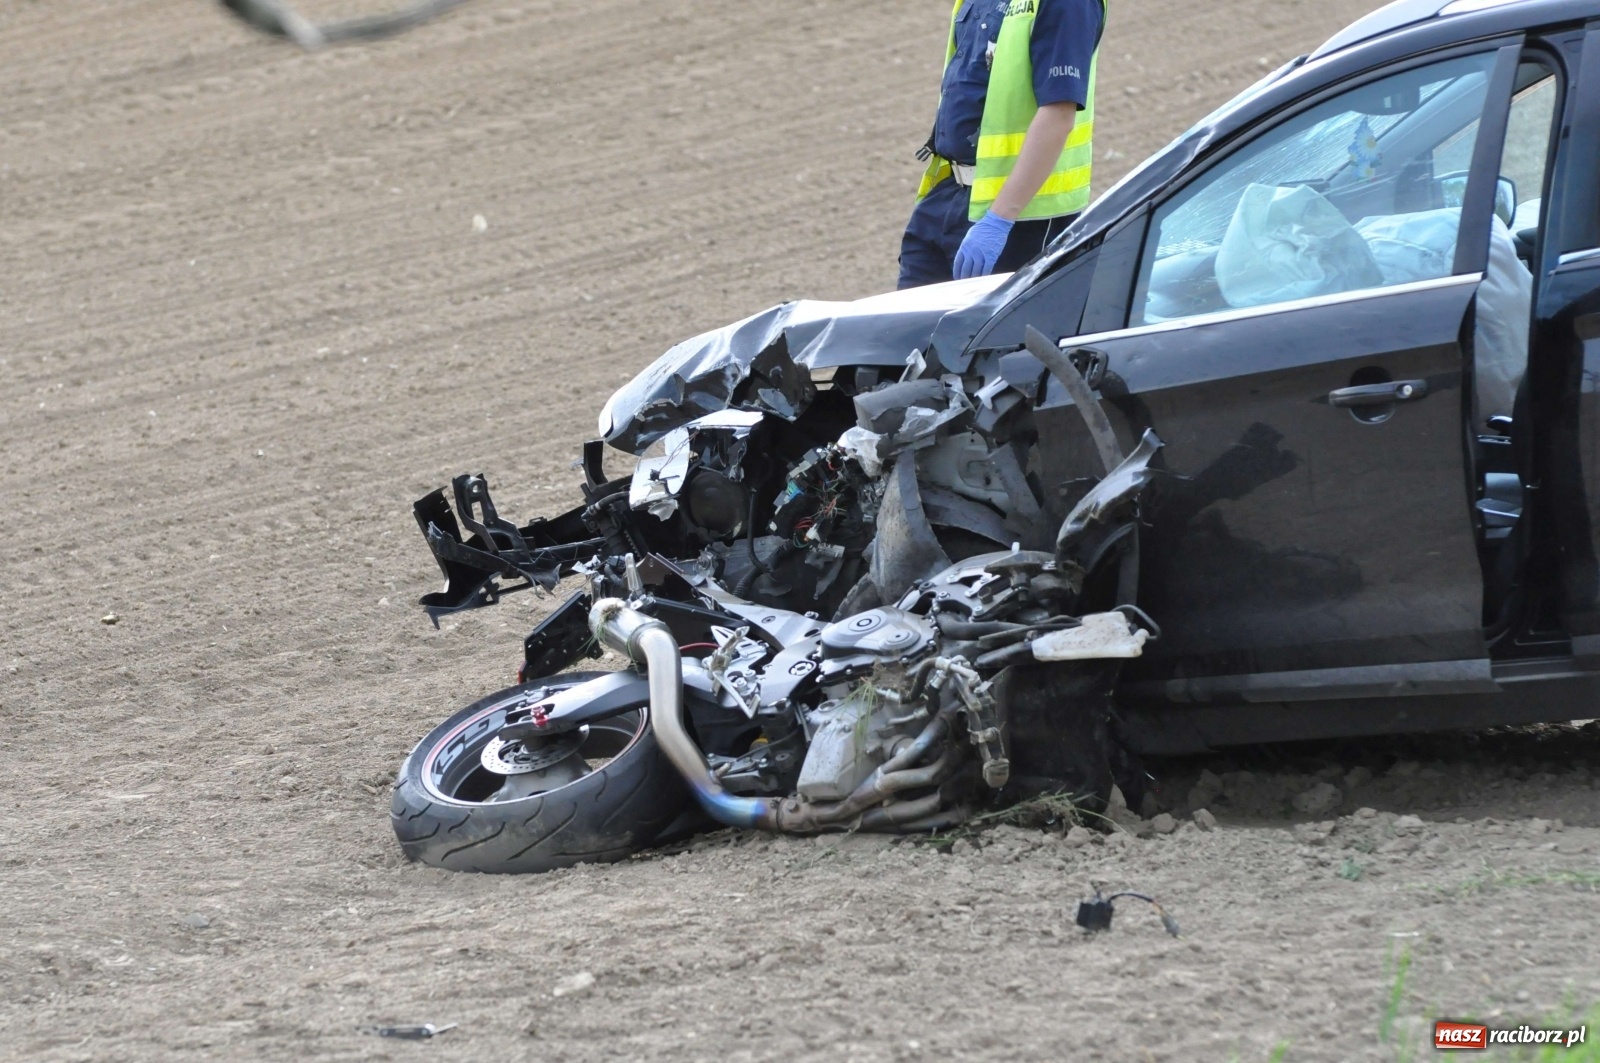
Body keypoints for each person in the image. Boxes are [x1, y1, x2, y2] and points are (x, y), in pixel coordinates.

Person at [899, 0, 1106, 289]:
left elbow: (1058, 116)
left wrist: (999, 219)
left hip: (1016, 219)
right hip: (946, 198)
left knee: (990, 321)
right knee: (906, 317)